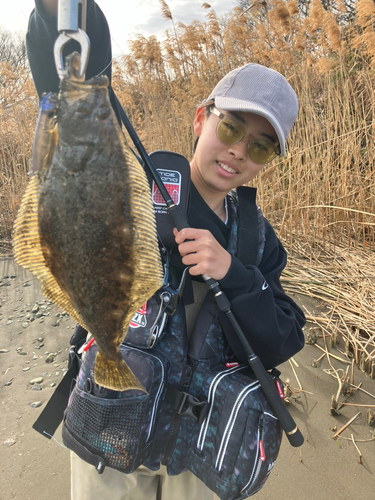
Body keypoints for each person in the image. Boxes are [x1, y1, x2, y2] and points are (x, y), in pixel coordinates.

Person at [26, 1, 306, 499]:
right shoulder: (137, 182)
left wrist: (236, 275)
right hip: (110, 425)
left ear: (269, 161)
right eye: (231, 127)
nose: (239, 150)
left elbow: (284, 337)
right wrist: (60, 15)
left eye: (261, 146)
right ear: (201, 119)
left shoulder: (258, 238)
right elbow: (80, 96)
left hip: (198, 452)